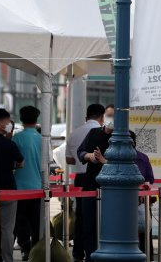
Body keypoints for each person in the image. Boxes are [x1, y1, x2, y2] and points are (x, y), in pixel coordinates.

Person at [65, 104, 105, 262]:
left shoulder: (74, 133)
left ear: (86, 117)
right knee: (95, 218)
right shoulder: (101, 133)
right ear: (102, 117)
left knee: (80, 217)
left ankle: (78, 253)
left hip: (79, 178)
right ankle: (94, 252)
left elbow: (69, 159)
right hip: (97, 178)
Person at [76, 104, 115, 261]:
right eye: (109, 115)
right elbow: (80, 152)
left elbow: (127, 163)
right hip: (91, 185)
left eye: (115, 116)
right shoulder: (93, 133)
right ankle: (90, 256)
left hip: (113, 189)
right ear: (103, 117)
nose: (111, 119)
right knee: (88, 226)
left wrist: (104, 161)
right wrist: (90, 156)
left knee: (110, 226)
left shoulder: (127, 135)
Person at [0, 108, 23, 262]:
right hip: (9, 189)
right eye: (8, 122)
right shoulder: (9, 144)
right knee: (8, 229)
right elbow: (21, 163)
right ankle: (8, 258)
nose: (10, 125)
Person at [12, 106, 43, 261]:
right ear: (36, 119)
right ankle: (37, 250)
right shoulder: (42, 138)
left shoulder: (16, 137)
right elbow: (46, 163)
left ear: (21, 119)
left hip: (19, 186)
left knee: (20, 219)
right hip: (37, 186)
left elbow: (13, 161)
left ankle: (25, 247)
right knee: (36, 220)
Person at [130, 131, 155, 257]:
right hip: (143, 200)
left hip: (125, 202)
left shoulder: (116, 158)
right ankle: (147, 256)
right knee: (145, 231)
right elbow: (150, 179)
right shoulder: (143, 157)